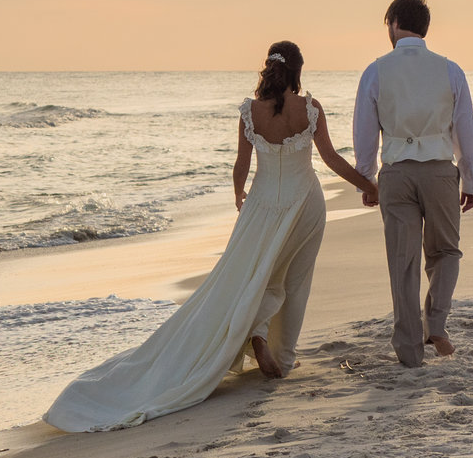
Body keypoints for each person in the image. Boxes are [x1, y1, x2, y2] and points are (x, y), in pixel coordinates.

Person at [44, 41, 378, 432]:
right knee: (294, 281)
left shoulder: (249, 113)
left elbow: (241, 165)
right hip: (305, 204)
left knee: (256, 277)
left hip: (263, 206)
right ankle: (280, 356)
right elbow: (331, 158)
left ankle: (255, 333)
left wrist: (239, 195)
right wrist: (368, 186)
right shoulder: (309, 109)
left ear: (267, 69)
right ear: (298, 70)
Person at [353, 0, 473, 368]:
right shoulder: (450, 70)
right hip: (440, 170)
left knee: (402, 262)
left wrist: (366, 179)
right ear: (424, 27)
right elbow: (465, 131)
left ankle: (409, 351)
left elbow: (364, 132)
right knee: (445, 252)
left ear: (393, 23)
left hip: (396, 171)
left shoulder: (376, 70)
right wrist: (470, 179)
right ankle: (436, 323)